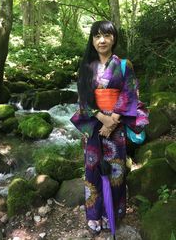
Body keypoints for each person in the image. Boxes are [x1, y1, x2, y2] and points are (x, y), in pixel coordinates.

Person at [70, 20, 149, 234]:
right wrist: (101, 119)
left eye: (106, 35)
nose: (101, 40)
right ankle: (94, 216)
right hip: (93, 126)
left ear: (114, 38)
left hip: (117, 125)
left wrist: (112, 119)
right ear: (92, 40)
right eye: (97, 36)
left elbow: (130, 93)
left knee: (116, 171)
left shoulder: (124, 65)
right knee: (93, 169)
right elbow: (83, 98)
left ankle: (113, 213)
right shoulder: (87, 66)